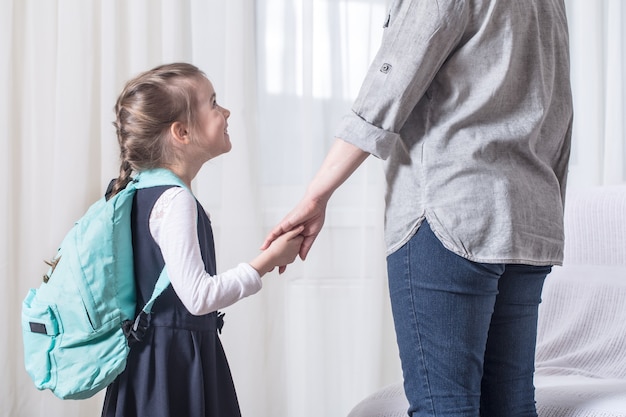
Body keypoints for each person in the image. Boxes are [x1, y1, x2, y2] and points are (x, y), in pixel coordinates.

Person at [263, 1, 573, 416]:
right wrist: (548, 202)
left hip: (450, 214)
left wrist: (316, 194)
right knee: (510, 407)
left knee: (445, 407)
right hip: (528, 220)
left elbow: (388, 86)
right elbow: (558, 112)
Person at [102, 62, 304, 417]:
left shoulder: (138, 192)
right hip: (174, 367)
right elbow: (199, 297)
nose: (225, 112)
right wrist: (268, 261)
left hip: (148, 368)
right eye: (213, 103)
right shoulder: (175, 201)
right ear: (181, 132)